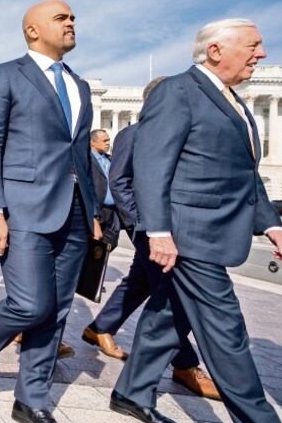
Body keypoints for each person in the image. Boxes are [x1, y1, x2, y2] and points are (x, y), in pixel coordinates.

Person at [111, 19, 282, 423]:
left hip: (213, 232)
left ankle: (131, 392)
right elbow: (152, 166)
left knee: (168, 316)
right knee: (227, 336)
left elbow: (243, 174)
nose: (262, 53)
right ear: (216, 50)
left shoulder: (236, 103)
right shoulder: (178, 91)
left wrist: (271, 223)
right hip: (188, 234)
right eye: (253, 45)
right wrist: (158, 231)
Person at [0, 0, 100, 423]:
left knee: (56, 311)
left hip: (75, 212)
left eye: (72, 16)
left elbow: (79, 154)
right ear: (32, 30)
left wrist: (93, 211)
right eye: (61, 17)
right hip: (22, 208)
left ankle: (32, 401)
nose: (71, 22)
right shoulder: (6, 74)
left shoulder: (79, 85)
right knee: (30, 303)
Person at [81, 79, 219, 400]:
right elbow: (119, 181)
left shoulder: (168, 133)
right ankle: (184, 364)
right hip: (149, 229)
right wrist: (137, 224)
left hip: (169, 228)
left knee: (141, 283)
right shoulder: (134, 133)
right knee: (170, 296)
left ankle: (100, 328)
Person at [89, 130, 121, 248]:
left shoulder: (110, 159)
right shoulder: (86, 160)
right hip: (97, 210)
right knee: (94, 249)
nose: (108, 143)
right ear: (92, 142)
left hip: (112, 213)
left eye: (108, 140)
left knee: (110, 245)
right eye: (104, 141)